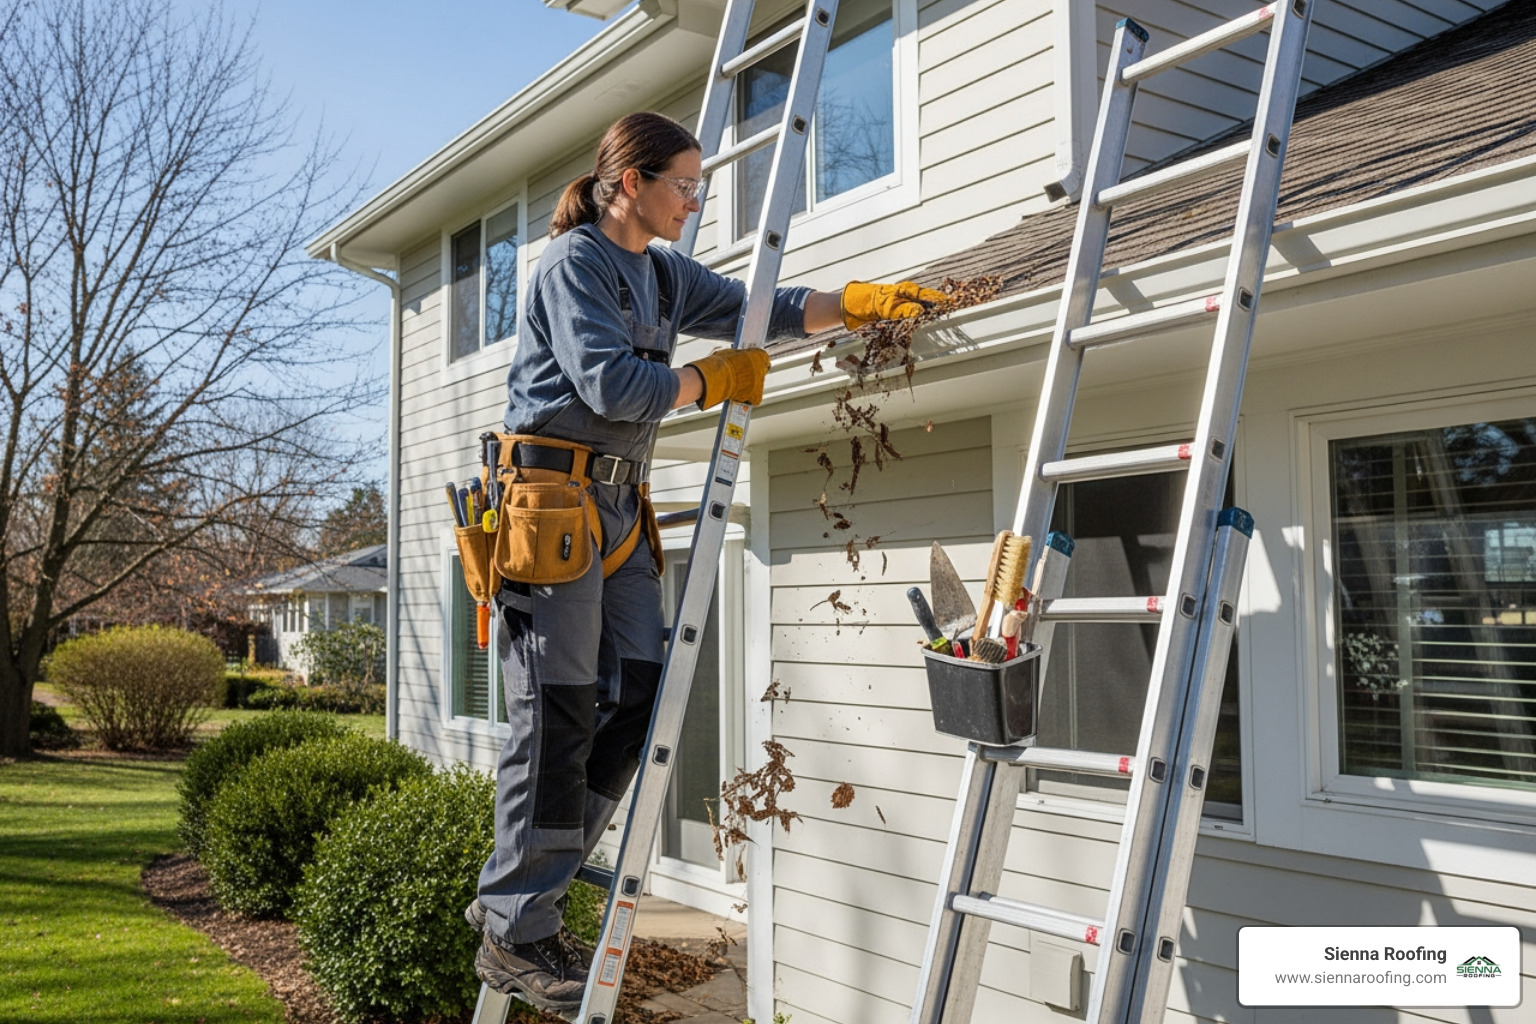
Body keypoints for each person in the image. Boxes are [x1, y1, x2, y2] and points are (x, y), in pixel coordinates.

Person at [469, 110, 943, 1015]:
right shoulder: (575, 264)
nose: (695, 200)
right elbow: (612, 384)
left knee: (645, 692)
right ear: (629, 183)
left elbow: (753, 307)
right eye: (683, 184)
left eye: (699, 186)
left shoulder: (662, 272)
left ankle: (543, 890)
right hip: (551, 506)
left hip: (616, 510)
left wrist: (854, 302)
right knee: (556, 713)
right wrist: (709, 381)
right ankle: (512, 927)